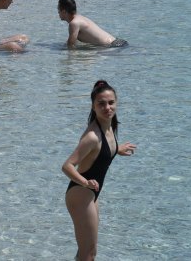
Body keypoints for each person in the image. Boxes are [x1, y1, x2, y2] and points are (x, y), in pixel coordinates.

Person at [63, 80, 136, 261]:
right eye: (101, 104)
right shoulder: (92, 136)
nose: (107, 107)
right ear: (93, 107)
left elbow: (100, 152)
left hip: (90, 194)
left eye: (111, 103)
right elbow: (67, 166)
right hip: (81, 194)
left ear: (116, 103)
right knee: (89, 254)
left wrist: (116, 149)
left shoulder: (109, 127)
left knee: (88, 251)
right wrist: (85, 182)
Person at [58, 0, 127, 48]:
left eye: (58, 10)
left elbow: (70, 46)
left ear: (64, 11)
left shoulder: (74, 23)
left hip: (112, 47)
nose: (58, 12)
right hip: (118, 43)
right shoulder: (80, 18)